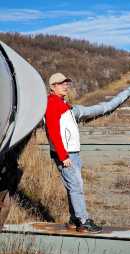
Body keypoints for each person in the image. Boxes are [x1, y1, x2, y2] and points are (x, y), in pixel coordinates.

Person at [45, 73, 102, 233]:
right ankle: (83, 221)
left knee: (74, 186)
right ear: (52, 87)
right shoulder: (52, 104)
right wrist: (63, 156)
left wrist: (68, 107)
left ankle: (74, 219)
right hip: (66, 154)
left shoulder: (61, 103)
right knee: (76, 187)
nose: (65, 86)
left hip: (72, 152)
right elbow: (53, 132)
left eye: (66, 83)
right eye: (61, 83)